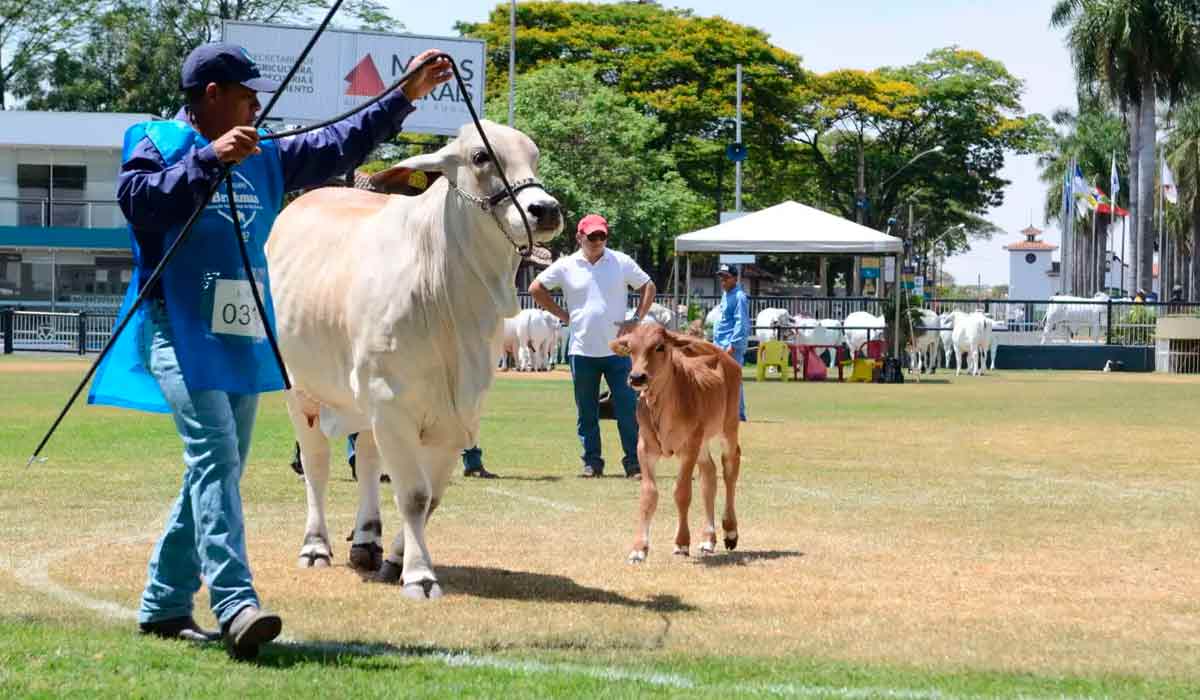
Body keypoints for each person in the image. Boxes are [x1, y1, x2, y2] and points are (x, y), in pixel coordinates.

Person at [86, 42, 452, 658]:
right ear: (211, 97)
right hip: (177, 327)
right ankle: (235, 604)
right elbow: (140, 202)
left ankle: (163, 604)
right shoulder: (152, 139)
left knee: (214, 468)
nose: (257, 104)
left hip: (239, 336)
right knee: (217, 457)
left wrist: (403, 96)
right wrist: (207, 160)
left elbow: (340, 142)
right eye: (245, 93)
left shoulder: (268, 153)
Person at [529, 214, 655, 478]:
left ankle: (633, 464)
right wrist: (562, 315)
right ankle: (592, 463)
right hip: (581, 351)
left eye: (602, 236)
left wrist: (635, 320)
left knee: (627, 409)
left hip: (619, 351)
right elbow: (536, 288)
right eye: (592, 236)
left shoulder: (621, 261)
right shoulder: (566, 265)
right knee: (586, 411)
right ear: (579, 237)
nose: (597, 241)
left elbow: (648, 286)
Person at [712, 263, 750, 421]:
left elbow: (741, 322)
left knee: (733, 379)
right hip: (719, 343)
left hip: (730, 345)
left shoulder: (739, 296)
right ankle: (722, 412)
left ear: (735, 278)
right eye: (721, 278)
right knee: (719, 379)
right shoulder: (726, 294)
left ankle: (738, 414)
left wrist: (733, 345)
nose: (723, 281)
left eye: (726, 278)